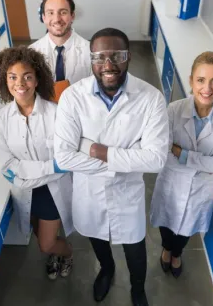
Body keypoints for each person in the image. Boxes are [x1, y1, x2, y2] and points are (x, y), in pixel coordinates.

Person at [54, 28, 169, 306]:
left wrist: (94, 149)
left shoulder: (151, 98)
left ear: (128, 57)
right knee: (97, 237)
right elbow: (64, 158)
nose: (108, 64)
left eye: (117, 56)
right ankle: (106, 270)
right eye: (100, 56)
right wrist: (122, 161)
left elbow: (155, 159)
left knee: (135, 248)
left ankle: (138, 287)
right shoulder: (72, 97)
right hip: (89, 193)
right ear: (91, 59)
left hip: (128, 195)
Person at [150, 51, 213, 278]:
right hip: (172, 181)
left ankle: (177, 253)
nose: (207, 88)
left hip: (199, 189)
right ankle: (167, 249)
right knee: (167, 223)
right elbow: (163, 151)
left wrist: (182, 153)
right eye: (201, 80)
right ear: (191, 81)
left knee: (186, 230)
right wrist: (202, 161)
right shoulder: (173, 110)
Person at [0, 46, 74, 281]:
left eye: (27, 76)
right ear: (4, 81)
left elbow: (64, 162)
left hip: (51, 192)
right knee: (39, 234)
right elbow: (7, 165)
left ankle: (67, 253)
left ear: (37, 79)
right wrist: (50, 167)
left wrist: (24, 173)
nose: (20, 83)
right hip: (25, 192)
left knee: (46, 245)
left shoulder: (57, 114)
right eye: (12, 77)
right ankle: (57, 252)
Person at [30, 0, 91, 85]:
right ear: (43, 17)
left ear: (72, 16)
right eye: (50, 13)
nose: (57, 19)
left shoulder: (90, 51)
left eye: (63, 12)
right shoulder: (32, 52)